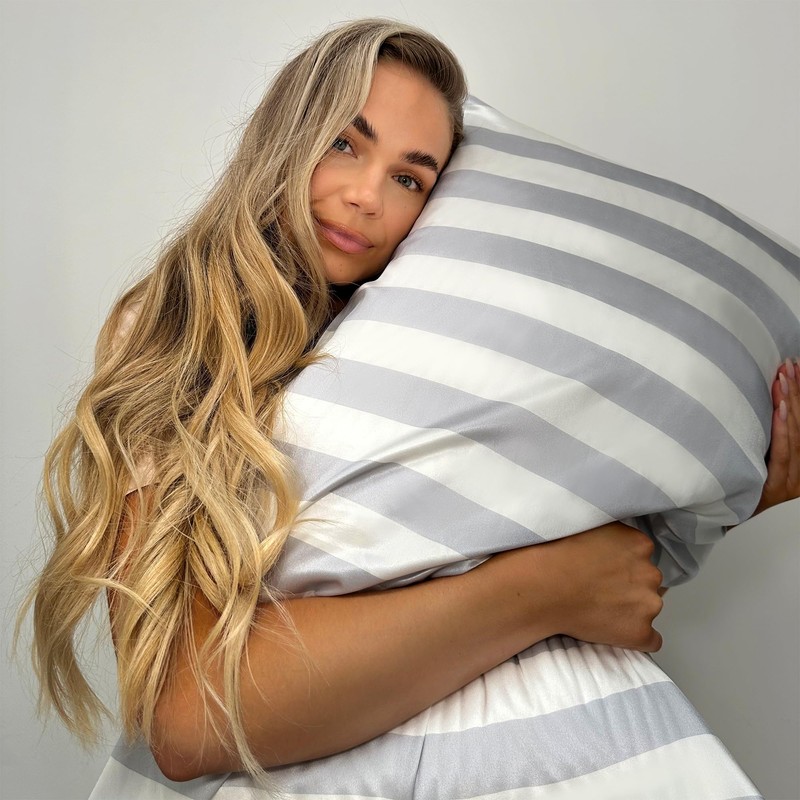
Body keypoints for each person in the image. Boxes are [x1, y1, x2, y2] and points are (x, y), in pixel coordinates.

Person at [21, 17, 799, 788]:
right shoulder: (174, 331)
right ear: (285, 139)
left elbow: (600, 570)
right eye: (343, 144)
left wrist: (727, 484)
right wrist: (538, 590)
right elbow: (186, 723)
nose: (366, 197)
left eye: (409, 179)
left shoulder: (461, 345)